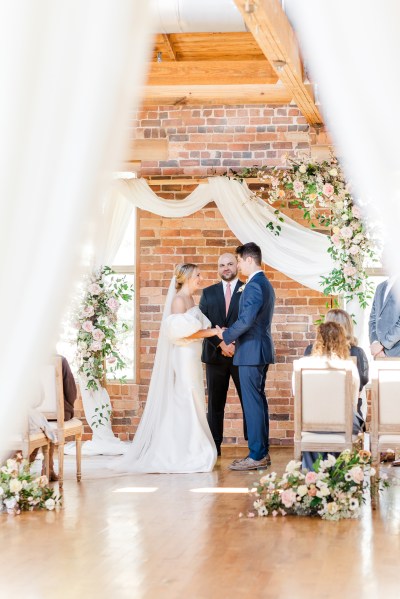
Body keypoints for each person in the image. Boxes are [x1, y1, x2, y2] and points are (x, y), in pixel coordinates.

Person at [115, 263, 218, 473]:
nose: (201, 278)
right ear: (188, 277)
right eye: (198, 275)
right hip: (183, 356)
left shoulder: (190, 299)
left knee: (194, 397)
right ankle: (184, 451)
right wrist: (213, 333)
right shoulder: (179, 301)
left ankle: (191, 447)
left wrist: (212, 332)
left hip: (192, 355)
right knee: (186, 397)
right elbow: (181, 334)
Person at [216, 242, 275, 471]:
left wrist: (227, 336)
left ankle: (257, 455)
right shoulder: (262, 283)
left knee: (252, 404)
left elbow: (247, 320)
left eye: (238, 261)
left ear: (249, 259)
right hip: (257, 350)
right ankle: (262, 453)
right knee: (258, 403)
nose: (238, 265)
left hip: (251, 351)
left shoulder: (254, 285)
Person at [199, 253, 247, 456]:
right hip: (215, 356)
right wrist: (221, 343)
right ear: (217, 268)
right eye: (221, 265)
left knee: (248, 402)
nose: (226, 268)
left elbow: (250, 319)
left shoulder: (248, 290)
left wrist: (233, 342)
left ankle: (253, 447)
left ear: (237, 265)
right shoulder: (208, 293)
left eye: (229, 264)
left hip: (242, 354)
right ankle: (214, 447)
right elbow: (202, 323)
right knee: (215, 405)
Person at [297, 321, 361, 470]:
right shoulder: (349, 366)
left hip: (310, 424)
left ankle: (314, 476)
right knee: (352, 419)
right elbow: (353, 399)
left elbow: (297, 396)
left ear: (317, 341)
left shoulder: (302, 365)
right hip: (343, 425)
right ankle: (338, 476)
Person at [305, 309, 369, 430]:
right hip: (347, 420)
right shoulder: (357, 352)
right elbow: (360, 385)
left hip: (313, 418)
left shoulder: (310, 351)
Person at [30, 355, 77, 481]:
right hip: (58, 414)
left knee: (39, 424)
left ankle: (35, 463)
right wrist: (67, 406)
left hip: (30, 413)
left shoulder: (24, 360)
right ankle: (48, 468)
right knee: (47, 426)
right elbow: (71, 392)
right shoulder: (60, 360)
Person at [369, 275, 400, 358]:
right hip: (379, 354)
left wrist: (383, 344)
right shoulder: (380, 287)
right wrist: (375, 343)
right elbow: (373, 319)